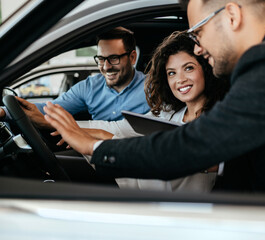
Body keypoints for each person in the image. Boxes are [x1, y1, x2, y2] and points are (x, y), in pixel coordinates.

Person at [44, 0, 265, 195]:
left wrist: (92, 147)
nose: (196, 46)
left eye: (197, 32)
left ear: (232, 15)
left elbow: (191, 147)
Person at [51, 31, 229, 192]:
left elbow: (169, 156)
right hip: (145, 204)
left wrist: (94, 142)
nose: (180, 80)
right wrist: (72, 128)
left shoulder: (219, 120)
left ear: (206, 69)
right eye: (171, 73)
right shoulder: (169, 113)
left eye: (188, 68)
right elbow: (121, 129)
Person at [0, 27, 149, 128]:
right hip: (95, 153)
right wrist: (5, 112)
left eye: (114, 58)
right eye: (101, 59)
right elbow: (51, 109)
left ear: (132, 57)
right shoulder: (89, 87)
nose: (106, 67)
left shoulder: (153, 88)